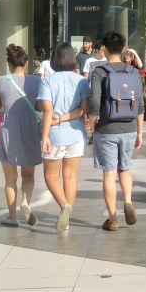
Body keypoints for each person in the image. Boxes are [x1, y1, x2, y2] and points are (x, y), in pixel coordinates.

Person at [86, 31, 145, 231]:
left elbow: (95, 101)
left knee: (109, 174)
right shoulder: (133, 72)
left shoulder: (99, 72)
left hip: (107, 129)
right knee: (124, 169)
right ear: (123, 49)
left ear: (104, 48)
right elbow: (140, 105)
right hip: (129, 127)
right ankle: (127, 201)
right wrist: (139, 132)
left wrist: (91, 123)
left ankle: (112, 219)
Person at [38, 43, 89, 233]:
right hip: (76, 134)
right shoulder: (81, 81)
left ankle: (64, 206)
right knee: (71, 177)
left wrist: (45, 136)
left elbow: (47, 111)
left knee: (51, 176)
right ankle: (66, 220)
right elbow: (84, 109)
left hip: (55, 134)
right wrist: (65, 118)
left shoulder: (47, 82)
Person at [0, 44, 42, 227]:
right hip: (30, 128)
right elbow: (39, 107)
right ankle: (25, 202)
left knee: (10, 178)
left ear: (9, 64)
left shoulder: (0, 81)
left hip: (7, 130)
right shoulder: (36, 82)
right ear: (26, 63)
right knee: (28, 175)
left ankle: (12, 216)